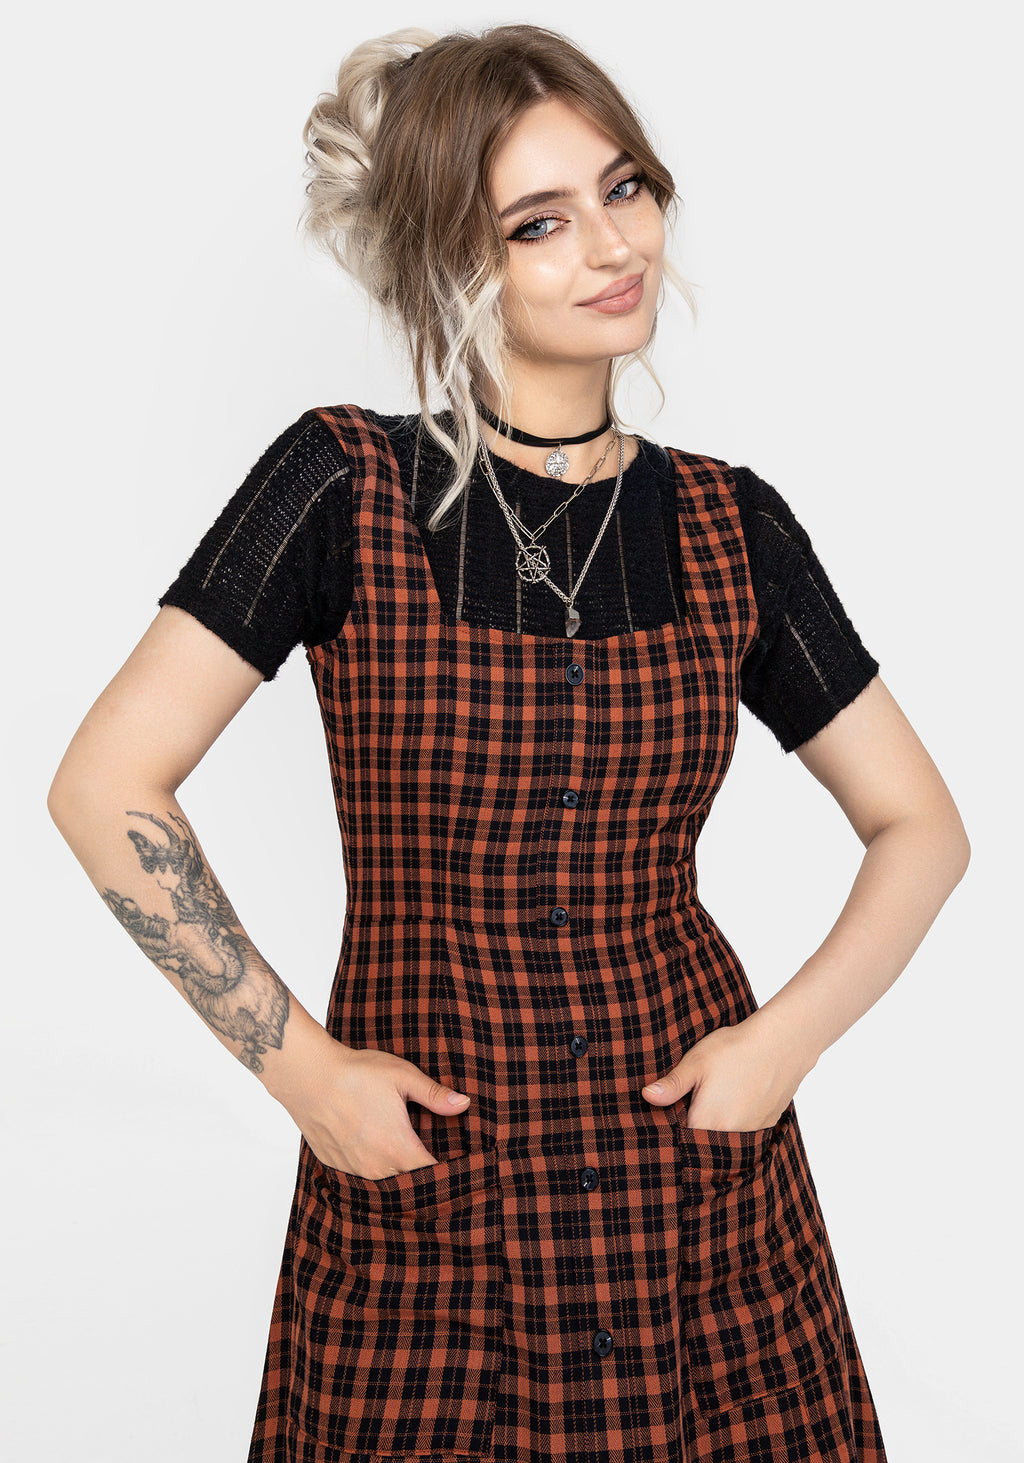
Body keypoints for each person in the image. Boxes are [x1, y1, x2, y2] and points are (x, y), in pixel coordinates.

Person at [48, 23, 969, 1463]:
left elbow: (922, 828)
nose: (612, 244)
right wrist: (302, 1071)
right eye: (539, 221)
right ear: (446, 263)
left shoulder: (731, 526)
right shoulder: (342, 484)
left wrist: (777, 1051)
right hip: (438, 1178)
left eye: (625, 187)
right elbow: (105, 785)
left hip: (695, 1182)